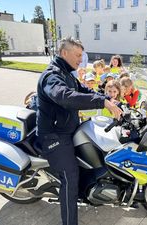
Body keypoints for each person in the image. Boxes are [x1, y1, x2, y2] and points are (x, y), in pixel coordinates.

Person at [35, 37, 122, 225]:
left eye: (82, 56)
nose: (80, 60)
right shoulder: (52, 76)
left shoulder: (68, 73)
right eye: (77, 55)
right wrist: (101, 102)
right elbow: (65, 97)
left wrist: (108, 99)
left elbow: (83, 90)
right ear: (64, 53)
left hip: (69, 129)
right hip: (54, 135)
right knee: (70, 177)